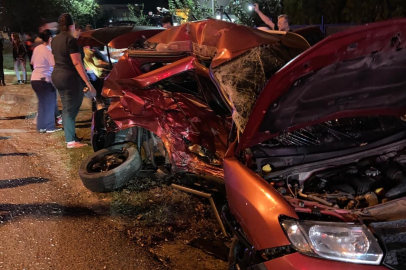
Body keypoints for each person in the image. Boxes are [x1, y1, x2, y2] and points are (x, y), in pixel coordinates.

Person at [51, 13, 96, 148]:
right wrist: (88, 83)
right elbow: (77, 63)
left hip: (57, 76)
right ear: (71, 26)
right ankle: (70, 141)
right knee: (71, 109)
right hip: (69, 77)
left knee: (66, 107)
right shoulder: (71, 40)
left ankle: (71, 136)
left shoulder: (55, 40)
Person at [30, 29, 61, 133]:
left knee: (42, 103)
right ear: (50, 38)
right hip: (44, 79)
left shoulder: (37, 48)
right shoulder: (48, 51)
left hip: (35, 79)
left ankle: (41, 126)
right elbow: (54, 65)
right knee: (50, 103)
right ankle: (49, 127)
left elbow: (32, 62)